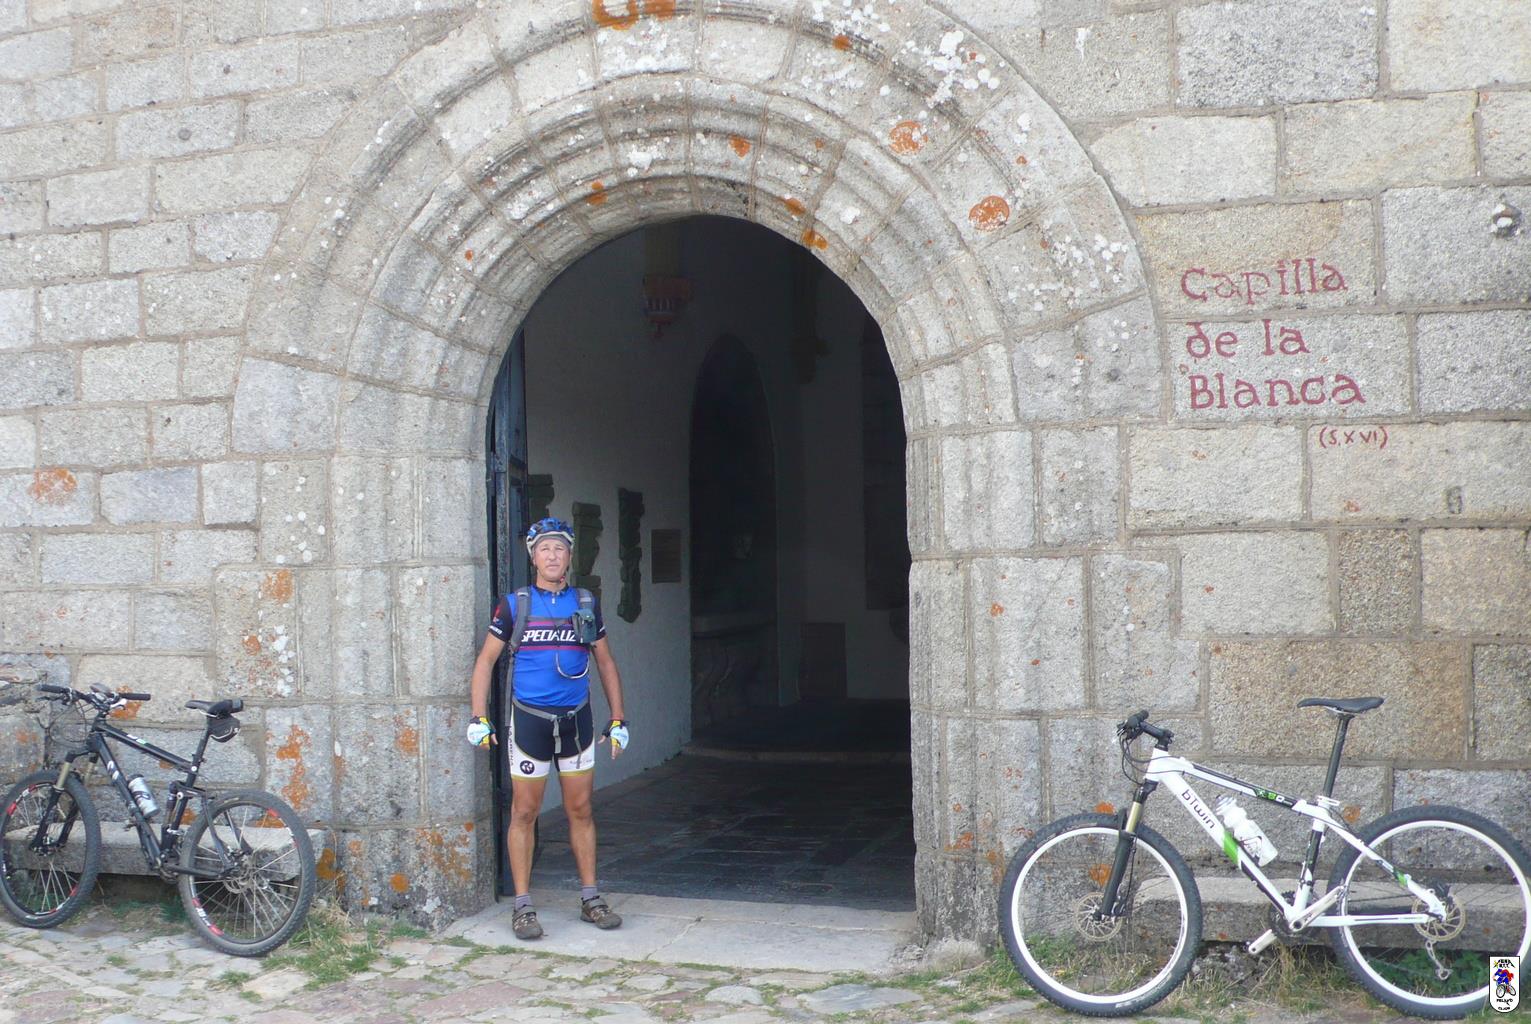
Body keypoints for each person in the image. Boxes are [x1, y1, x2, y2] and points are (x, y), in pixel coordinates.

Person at [467, 516, 630, 941]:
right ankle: (523, 906)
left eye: (559, 548)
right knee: (524, 812)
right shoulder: (515, 605)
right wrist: (478, 717)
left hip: (576, 720)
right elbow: (485, 661)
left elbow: (605, 661)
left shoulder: (585, 603)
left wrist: (618, 719)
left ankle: (591, 898)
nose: (552, 556)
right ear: (533, 557)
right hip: (529, 722)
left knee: (581, 810)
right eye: (544, 549)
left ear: (569, 555)